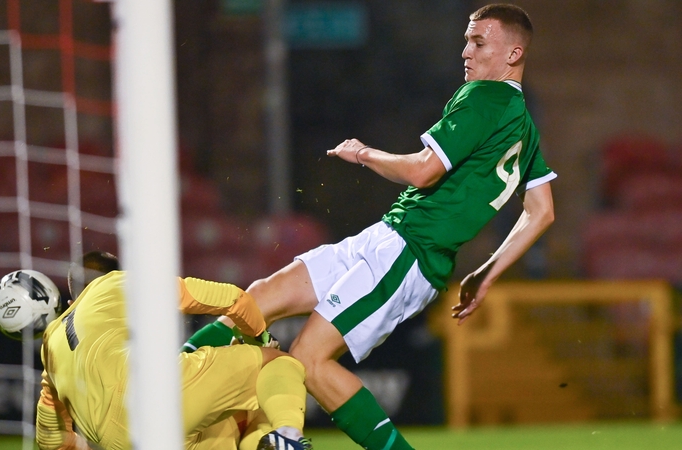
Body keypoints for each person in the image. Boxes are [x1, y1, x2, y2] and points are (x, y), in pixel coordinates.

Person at [184, 4, 556, 449]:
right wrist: (487, 272)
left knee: (307, 358)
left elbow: (423, 171)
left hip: (409, 254)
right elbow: (542, 210)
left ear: (514, 53)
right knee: (260, 296)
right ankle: (170, 379)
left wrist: (363, 154)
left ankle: (287, 439)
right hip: (387, 237)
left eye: (478, 42)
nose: (465, 51)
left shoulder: (484, 99)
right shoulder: (524, 126)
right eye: (466, 40)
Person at [35, 251, 313, 450]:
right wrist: (259, 339)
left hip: (119, 442)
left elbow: (50, 440)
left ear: (72, 299)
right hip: (151, 393)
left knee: (224, 427)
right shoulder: (114, 284)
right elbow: (233, 299)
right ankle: (288, 435)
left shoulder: (50, 344)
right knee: (274, 365)